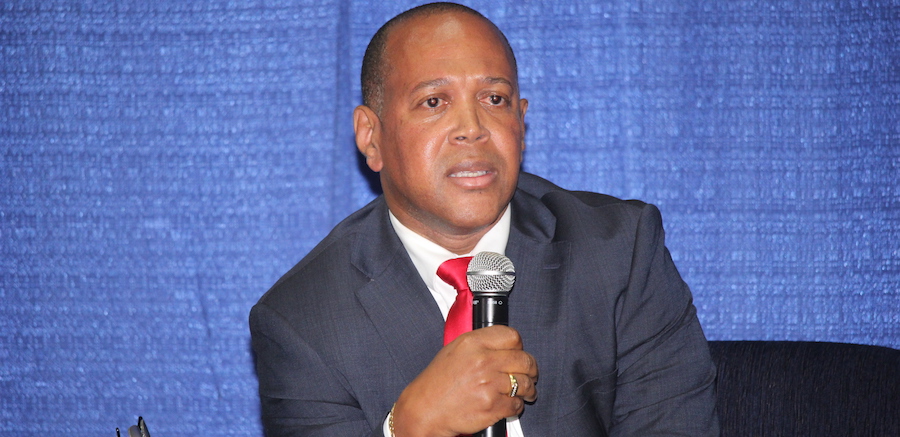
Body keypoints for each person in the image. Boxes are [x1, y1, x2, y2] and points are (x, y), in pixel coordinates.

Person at [249, 3, 719, 436]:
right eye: (434, 102)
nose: (472, 128)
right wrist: (407, 428)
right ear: (371, 137)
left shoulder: (619, 253)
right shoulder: (302, 321)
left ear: (521, 122)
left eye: (494, 99)